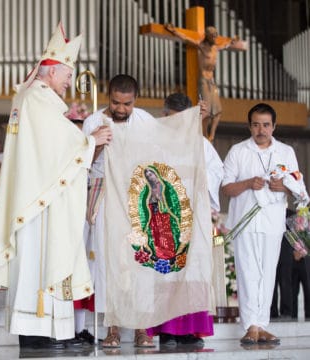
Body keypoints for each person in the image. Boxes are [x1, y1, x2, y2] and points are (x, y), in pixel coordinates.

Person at [0, 22, 112, 350]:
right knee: (41, 261)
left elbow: (53, 145)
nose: (70, 82)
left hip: (38, 195)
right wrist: (90, 141)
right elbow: (59, 147)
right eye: (67, 74)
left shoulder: (32, 97)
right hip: (39, 201)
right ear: (52, 70)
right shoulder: (37, 98)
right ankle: (37, 333)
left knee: (41, 262)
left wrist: (84, 142)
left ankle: (43, 332)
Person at [77, 74, 157, 348]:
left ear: (135, 99)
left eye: (127, 103)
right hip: (105, 193)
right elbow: (83, 165)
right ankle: (111, 328)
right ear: (108, 96)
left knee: (140, 261)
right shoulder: (93, 121)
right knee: (108, 263)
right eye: (115, 102)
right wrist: (97, 143)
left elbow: (156, 162)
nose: (121, 109)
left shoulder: (146, 121)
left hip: (137, 196)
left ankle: (141, 328)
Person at [145, 92, 223, 348]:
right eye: (171, 118)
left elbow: (215, 172)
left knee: (194, 271)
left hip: (194, 216)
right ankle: (168, 331)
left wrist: (197, 179)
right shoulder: (154, 143)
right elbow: (145, 173)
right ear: (164, 115)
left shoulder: (200, 143)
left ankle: (189, 330)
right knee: (168, 272)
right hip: (166, 214)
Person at [221, 103, 302, 345]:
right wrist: (247, 183)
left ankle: (262, 325)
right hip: (245, 223)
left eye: (266, 125)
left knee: (268, 274)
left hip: (273, 222)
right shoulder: (238, 151)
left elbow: (298, 188)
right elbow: (226, 188)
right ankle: (250, 326)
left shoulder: (286, 152)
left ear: (274, 126)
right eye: (256, 124)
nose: (261, 130)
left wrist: (284, 187)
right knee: (248, 273)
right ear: (249, 126)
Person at [164, 24, 240, 142]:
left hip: (212, 81)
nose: (215, 38)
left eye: (216, 35)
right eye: (213, 36)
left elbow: (226, 45)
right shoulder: (201, 45)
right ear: (208, 36)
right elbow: (186, 38)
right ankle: (204, 134)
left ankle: (212, 135)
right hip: (203, 80)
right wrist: (174, 31)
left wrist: (233, 40)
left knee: (218, 111)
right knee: (207, 111)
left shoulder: (215, 47)